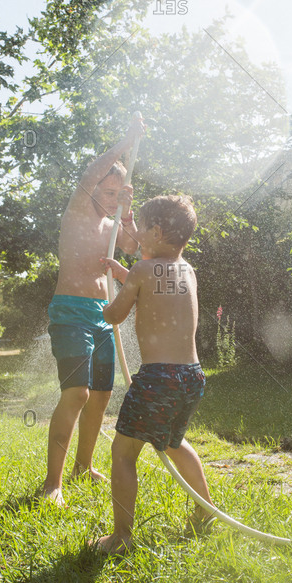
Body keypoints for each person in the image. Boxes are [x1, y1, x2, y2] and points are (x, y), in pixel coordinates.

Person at [94, 194, 215, 555]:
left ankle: (121, 538)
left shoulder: (144, 271)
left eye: (141, 228)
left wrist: (109, 298)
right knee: (172, 443)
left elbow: (115, 315)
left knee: (123, 454)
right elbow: (160, 285)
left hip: (158, 378)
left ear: (157, 231)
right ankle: (204, 509)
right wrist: (126, 274)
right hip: (191, 376)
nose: (136, 236)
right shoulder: (187, 270)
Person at [42, 117, 145, 506]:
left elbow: (135, 250)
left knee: (101, 396)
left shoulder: (112, 222)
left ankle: (83, 466)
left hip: (105, 315)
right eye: (109, 190)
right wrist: (126, 140)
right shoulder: (78, 212)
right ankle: (53, 482)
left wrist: (129, 212)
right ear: (94, 189)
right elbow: (91, 171)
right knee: (77, 394)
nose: (113, 197)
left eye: (120, 191)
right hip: (70, 311)